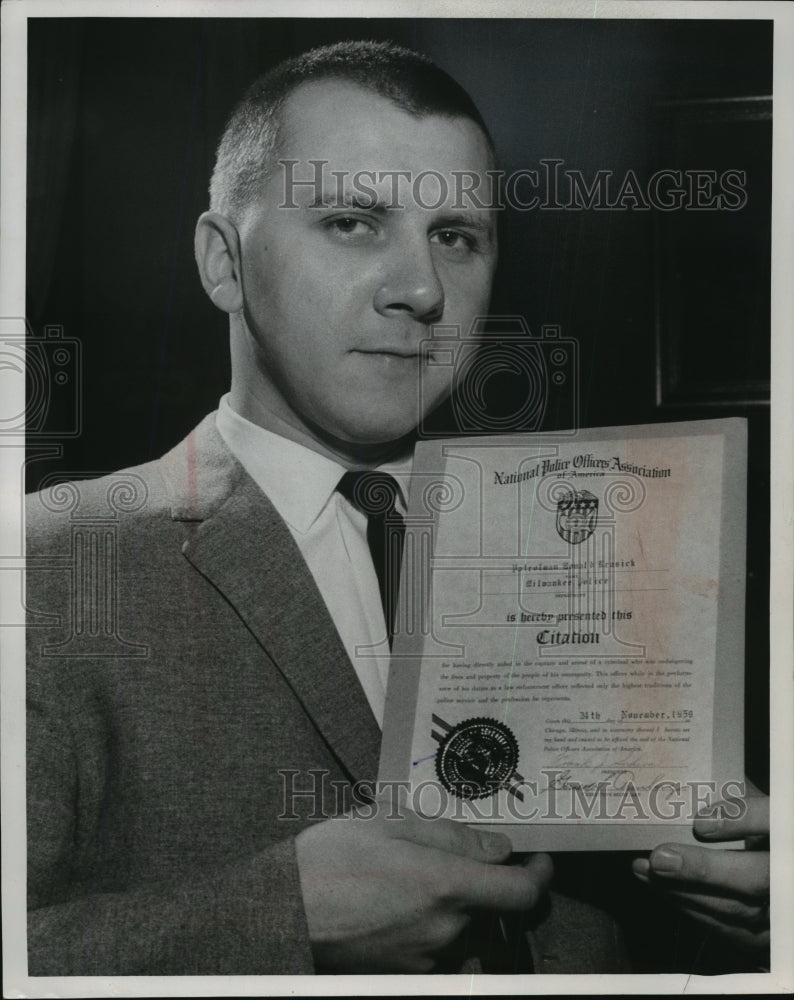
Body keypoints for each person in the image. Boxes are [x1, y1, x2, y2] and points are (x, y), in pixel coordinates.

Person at [26, 39, 769, 977]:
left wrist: (742, 919)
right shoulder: (52, 567)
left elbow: (616, 925)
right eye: (351, 222)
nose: (421, 290)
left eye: (456, 236)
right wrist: (279, 918)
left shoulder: (605, 545)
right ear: (223, 261)